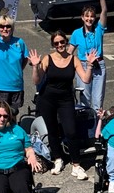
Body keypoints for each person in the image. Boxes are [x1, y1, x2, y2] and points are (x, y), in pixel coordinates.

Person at [29, 31, 96, 180]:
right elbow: (36, 80)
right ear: (53, 45)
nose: (60, 45)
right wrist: (35, 66)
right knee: (52, 131)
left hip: (66, 100)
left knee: (71, 131)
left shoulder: (73, 59)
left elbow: (85, 79)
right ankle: (57, 159)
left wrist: (90, 65)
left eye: (62, 42)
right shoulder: (48, 59)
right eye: (56, 43)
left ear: (66, 43)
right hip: (48, 99)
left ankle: (76, 165)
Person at [68, 0, 107, 111]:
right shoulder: (76, 33)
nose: (89, 19)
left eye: (92, 16)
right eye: (87, 16)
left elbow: (104, 11)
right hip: (83, 66)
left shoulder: (99, 29)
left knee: (98, 101)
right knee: (84, 100)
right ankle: (86, 128)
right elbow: (69, 53)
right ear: (82, 17)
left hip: (98, 65)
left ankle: (96, 129)